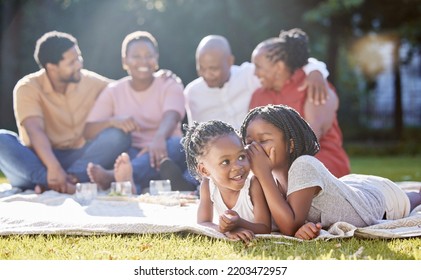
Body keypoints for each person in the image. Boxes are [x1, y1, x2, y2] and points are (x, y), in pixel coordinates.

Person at [241, 104, 421, 239]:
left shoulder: (303, 165)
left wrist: (263, 174)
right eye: (249, 142)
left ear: (291, 144)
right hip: (346, 187)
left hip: (374, 199)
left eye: (263, 140)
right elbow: (269, 224)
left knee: (412, 198)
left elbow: (289, 227)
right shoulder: (263, 179)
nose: (254, 148)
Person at [0, 31, 131, 194]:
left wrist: (159, 80)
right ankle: (63, 182)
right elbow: (35, 130)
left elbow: (125, 90)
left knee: (117, 135)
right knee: (2, 139)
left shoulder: (88, 80)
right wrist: (53, 167)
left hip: (79, 157)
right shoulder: (27, 87)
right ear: (51, 67)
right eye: (72, 62)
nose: (79, 64)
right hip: (41, 158)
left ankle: (58, 181)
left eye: (79, 57)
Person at [84, 31, 195, 194]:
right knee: (122, 156)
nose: (143, 61)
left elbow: (172, 115)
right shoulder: (113, 91)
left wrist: (159, 138)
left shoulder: (169, 83)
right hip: (132, 153)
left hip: (165, 148)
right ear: (125, 61)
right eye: (136, 56)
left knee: (180, 144)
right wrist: (113, 121)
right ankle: (142, 178)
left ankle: (116, 178)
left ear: (156, 59)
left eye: (149, 55)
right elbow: (88, 131)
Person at [249, 28, 350, 178]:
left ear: (279, 66)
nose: (255, 73)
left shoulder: (315, 86)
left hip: (320, 163)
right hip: (276, 167)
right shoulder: (259, 96)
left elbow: (311, 139)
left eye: (259, 66)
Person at [184, 34, 330, 130]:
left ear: (230, 61)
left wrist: (315, 71)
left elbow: (288, 63)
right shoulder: (192, 92)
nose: (206, 74)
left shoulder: (248, 74)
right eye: (201, 68)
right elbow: (193, 133)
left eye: (213, 68)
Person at [181, 120, 271, 243]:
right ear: (204, 170)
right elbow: (202, 222)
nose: (238, 167)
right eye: (225, 162)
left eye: (241, 157)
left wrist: (239, 223)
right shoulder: (207, 186)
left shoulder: (253, 185)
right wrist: (225, 230)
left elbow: (265, 228)